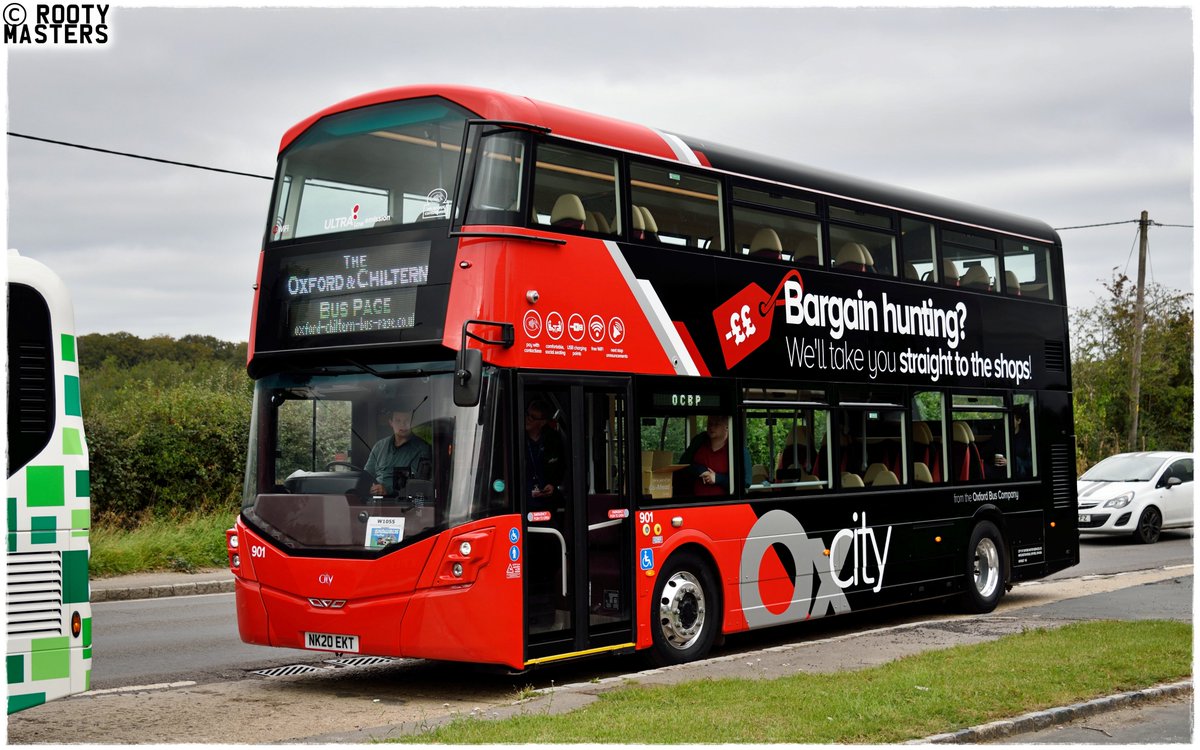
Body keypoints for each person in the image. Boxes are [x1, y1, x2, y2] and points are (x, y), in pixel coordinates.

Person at [364, 408, 432, 495]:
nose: (403, 424)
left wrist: (387, 490)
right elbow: (367, 475)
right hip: (374, 498)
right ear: (391, 423)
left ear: (413, 423)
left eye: (407, 420)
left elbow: (418, 483)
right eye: (398, 420)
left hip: (402, 502)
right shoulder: (379, 446)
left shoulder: (422, 448)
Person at [679, 415, 734, 496]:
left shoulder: (735, 446)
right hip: (694, 501)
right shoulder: (699, 441)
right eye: (709, 423)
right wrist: (700, 470)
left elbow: (745, 481)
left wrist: (718, 478)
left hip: (724, 503)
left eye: (716, 424)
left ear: (727, 427)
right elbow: (683, 465)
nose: (711, 426)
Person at [524, 399, 565, 506]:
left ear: (542, 422)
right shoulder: (516, 437)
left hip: (547, 500)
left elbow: (562, 466)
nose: (528, 419)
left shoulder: (553, 440)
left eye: (533, 417)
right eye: (527, 414)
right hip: (522, 499)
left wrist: (552, 484)